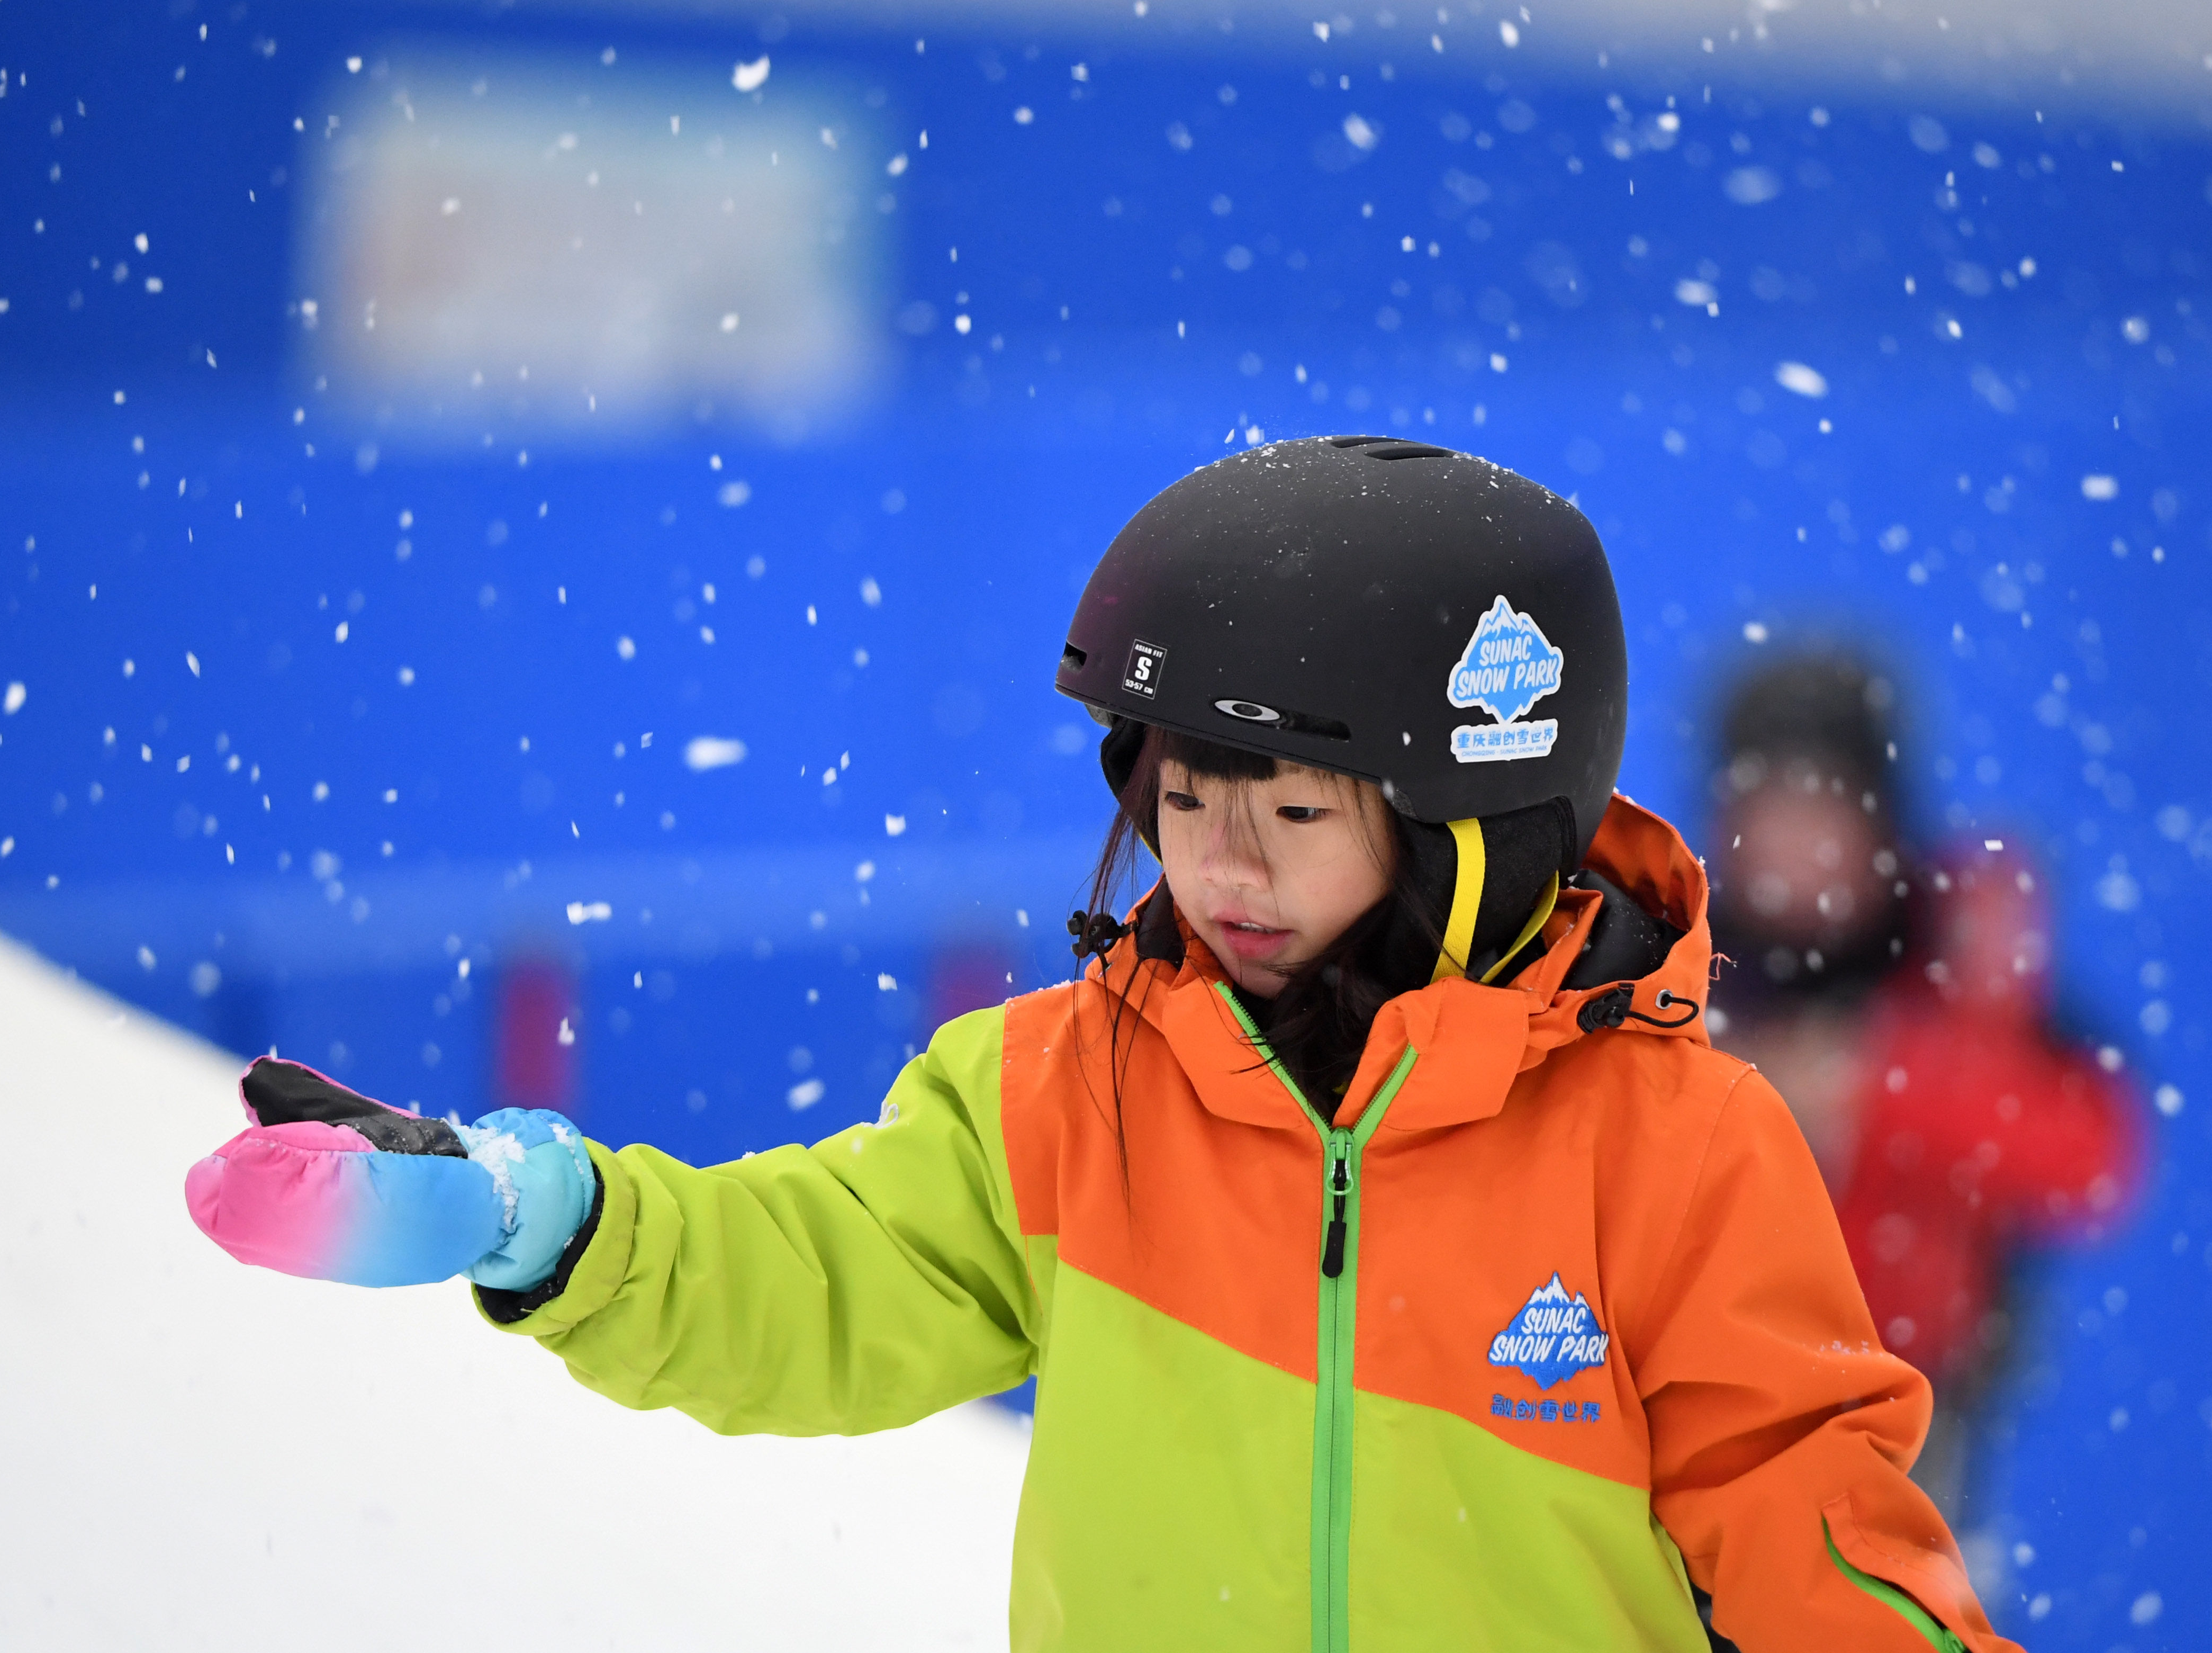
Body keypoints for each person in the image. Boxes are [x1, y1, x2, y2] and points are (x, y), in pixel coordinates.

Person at [185, 438, 2015, 1651]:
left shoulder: (1667, 1142)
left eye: (1289, 813)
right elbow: (809, 1277)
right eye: (1185, 798)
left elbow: (1807, 1518)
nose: (1219, 861)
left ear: (1470, 834)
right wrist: (545, 1213)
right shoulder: (1070, 1092)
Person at [1706, 654, 2139, 1522]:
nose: (1794, 839)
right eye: (1767, 802)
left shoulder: (1957, 969)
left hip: (1910, 1459)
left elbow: (2093, 1155)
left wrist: (1875, 1081)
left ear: (1881, 820)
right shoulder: (1667, 959)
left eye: (1822, 802)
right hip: (1693, 1439)